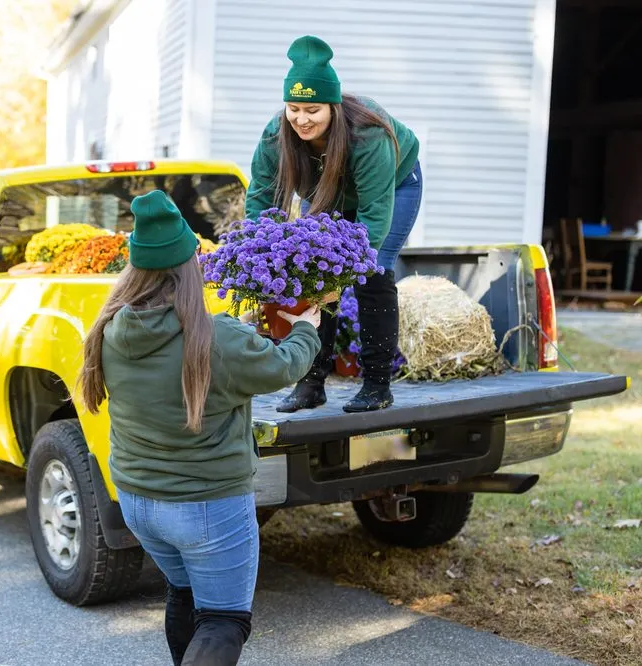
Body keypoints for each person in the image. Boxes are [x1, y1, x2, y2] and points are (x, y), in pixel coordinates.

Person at [79, 190, 321, 665]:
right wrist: (306, 326)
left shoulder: (108, 329)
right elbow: (285, 364)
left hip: (138, 500)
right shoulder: (217, 340)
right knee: (223, 622)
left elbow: (203, 340)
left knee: (184, 596)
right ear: (190, 263)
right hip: (207, 506)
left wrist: (240, 326)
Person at [244, 35, 422, 413]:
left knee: (373, 271)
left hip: (393, 186)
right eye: (293, 108)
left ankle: (377, 385)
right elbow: (261, 199)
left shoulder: (367, 135)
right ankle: (311, 383)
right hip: (330, 192)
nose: (301, 119)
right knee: (313, 271)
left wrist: (341, 281)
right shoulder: (278, 136)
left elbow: (374, 216)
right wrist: (258, 259)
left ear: (333, 106)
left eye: (312, 110)